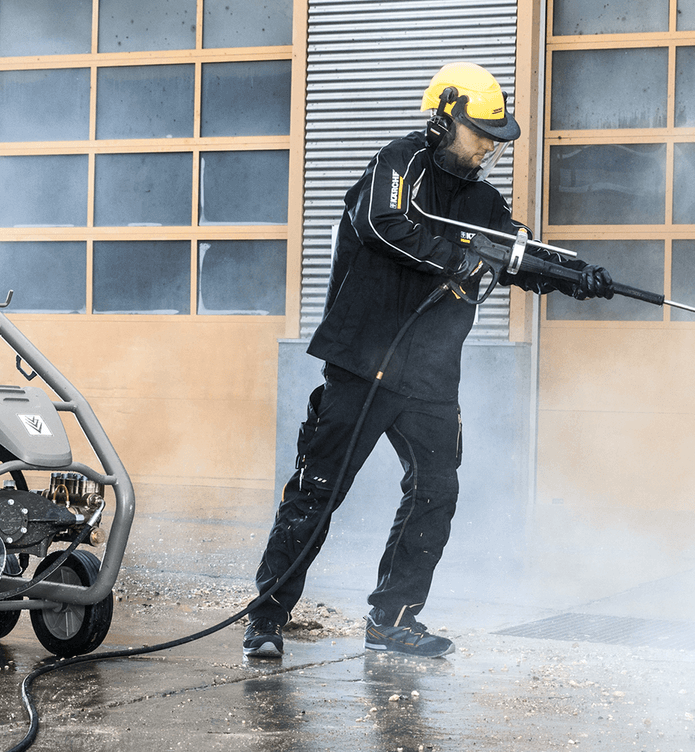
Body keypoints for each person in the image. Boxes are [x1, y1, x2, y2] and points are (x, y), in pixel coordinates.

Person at [244, 62, 614, 659]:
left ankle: (392, 618)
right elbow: (379, 222)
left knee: (436, 492)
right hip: (363, 365)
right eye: (480, 131)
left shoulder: (483, 201)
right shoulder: (400, 163)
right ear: (444, 118)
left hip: (430, 377)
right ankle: (265, 620)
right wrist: (455, 259)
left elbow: (513, 256)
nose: (491, 145)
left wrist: (574, 277)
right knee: (318, 491)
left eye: (497, 136)